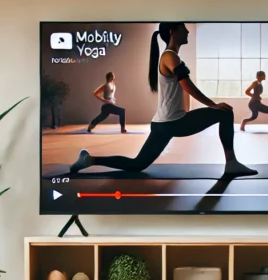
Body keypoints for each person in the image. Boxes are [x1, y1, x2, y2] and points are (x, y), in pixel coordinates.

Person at [70, 23, 257, 176]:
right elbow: (187, 86)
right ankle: (231, 164)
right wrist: (214, 105)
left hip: (161, 123)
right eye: (183, 27)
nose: (188, 30)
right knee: (225, 113)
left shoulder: (170, 56)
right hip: (173, 123)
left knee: (137, 164)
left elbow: (182, 91)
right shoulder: (170, 56)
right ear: (172, 31)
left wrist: (189, 111)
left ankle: (90, 159)